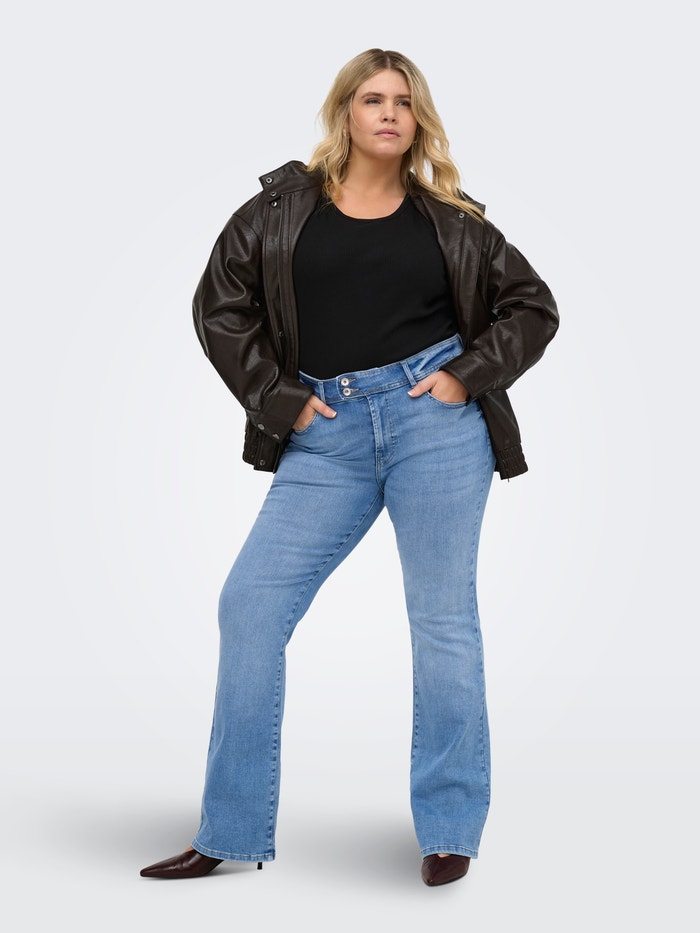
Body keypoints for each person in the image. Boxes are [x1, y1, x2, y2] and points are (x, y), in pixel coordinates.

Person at [140, 48, 558, 887]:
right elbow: (218, 305)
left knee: (442, 621)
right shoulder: (279, 210)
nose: (389, 112)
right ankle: (229, 829)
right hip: (325, 431)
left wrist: (464, 376)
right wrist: (279, 397)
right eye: (372, 98)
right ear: (345, 112)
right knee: (250, 605)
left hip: (435, 424)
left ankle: (450, 828)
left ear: (418, 118)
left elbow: (532, 306)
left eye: (403, 100)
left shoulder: (453, 220)